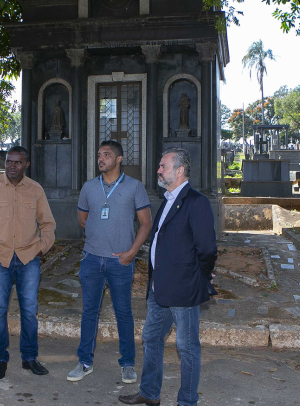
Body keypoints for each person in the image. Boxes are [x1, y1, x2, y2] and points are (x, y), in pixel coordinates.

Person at [119, 147, 217, 406]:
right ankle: (150, 393)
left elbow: (207, 248)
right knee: (151, 338)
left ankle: (187, 401)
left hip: (184, 288)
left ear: (180, 170)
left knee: (187, 348)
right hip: (159, 288)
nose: (159, 170)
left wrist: (201, 276)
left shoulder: (197, 202)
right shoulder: (167, 200)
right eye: (160, 166)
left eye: (163, 166)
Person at [0, 145, 56, 381]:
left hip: (29, 258)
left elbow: (47, 223)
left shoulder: (35, 190)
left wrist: (41, 248)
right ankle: (0, 359)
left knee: (29, 311)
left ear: (26, 165)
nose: (12, 166)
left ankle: (29, 357)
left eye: (17, 162)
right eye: (8, 161)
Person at [67, 141, 152, 384]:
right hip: (91, 259)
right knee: (89, 312)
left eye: (106, 155)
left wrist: (131, 252)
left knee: (123, 313)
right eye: (98, 155)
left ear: (119, 159)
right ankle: (84, 362)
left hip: (120, 262)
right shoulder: (89, 187)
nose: (101, 159)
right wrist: (100, 236)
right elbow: (83, 220)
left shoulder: (135, 187)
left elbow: (145, 223)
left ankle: (127, 364)